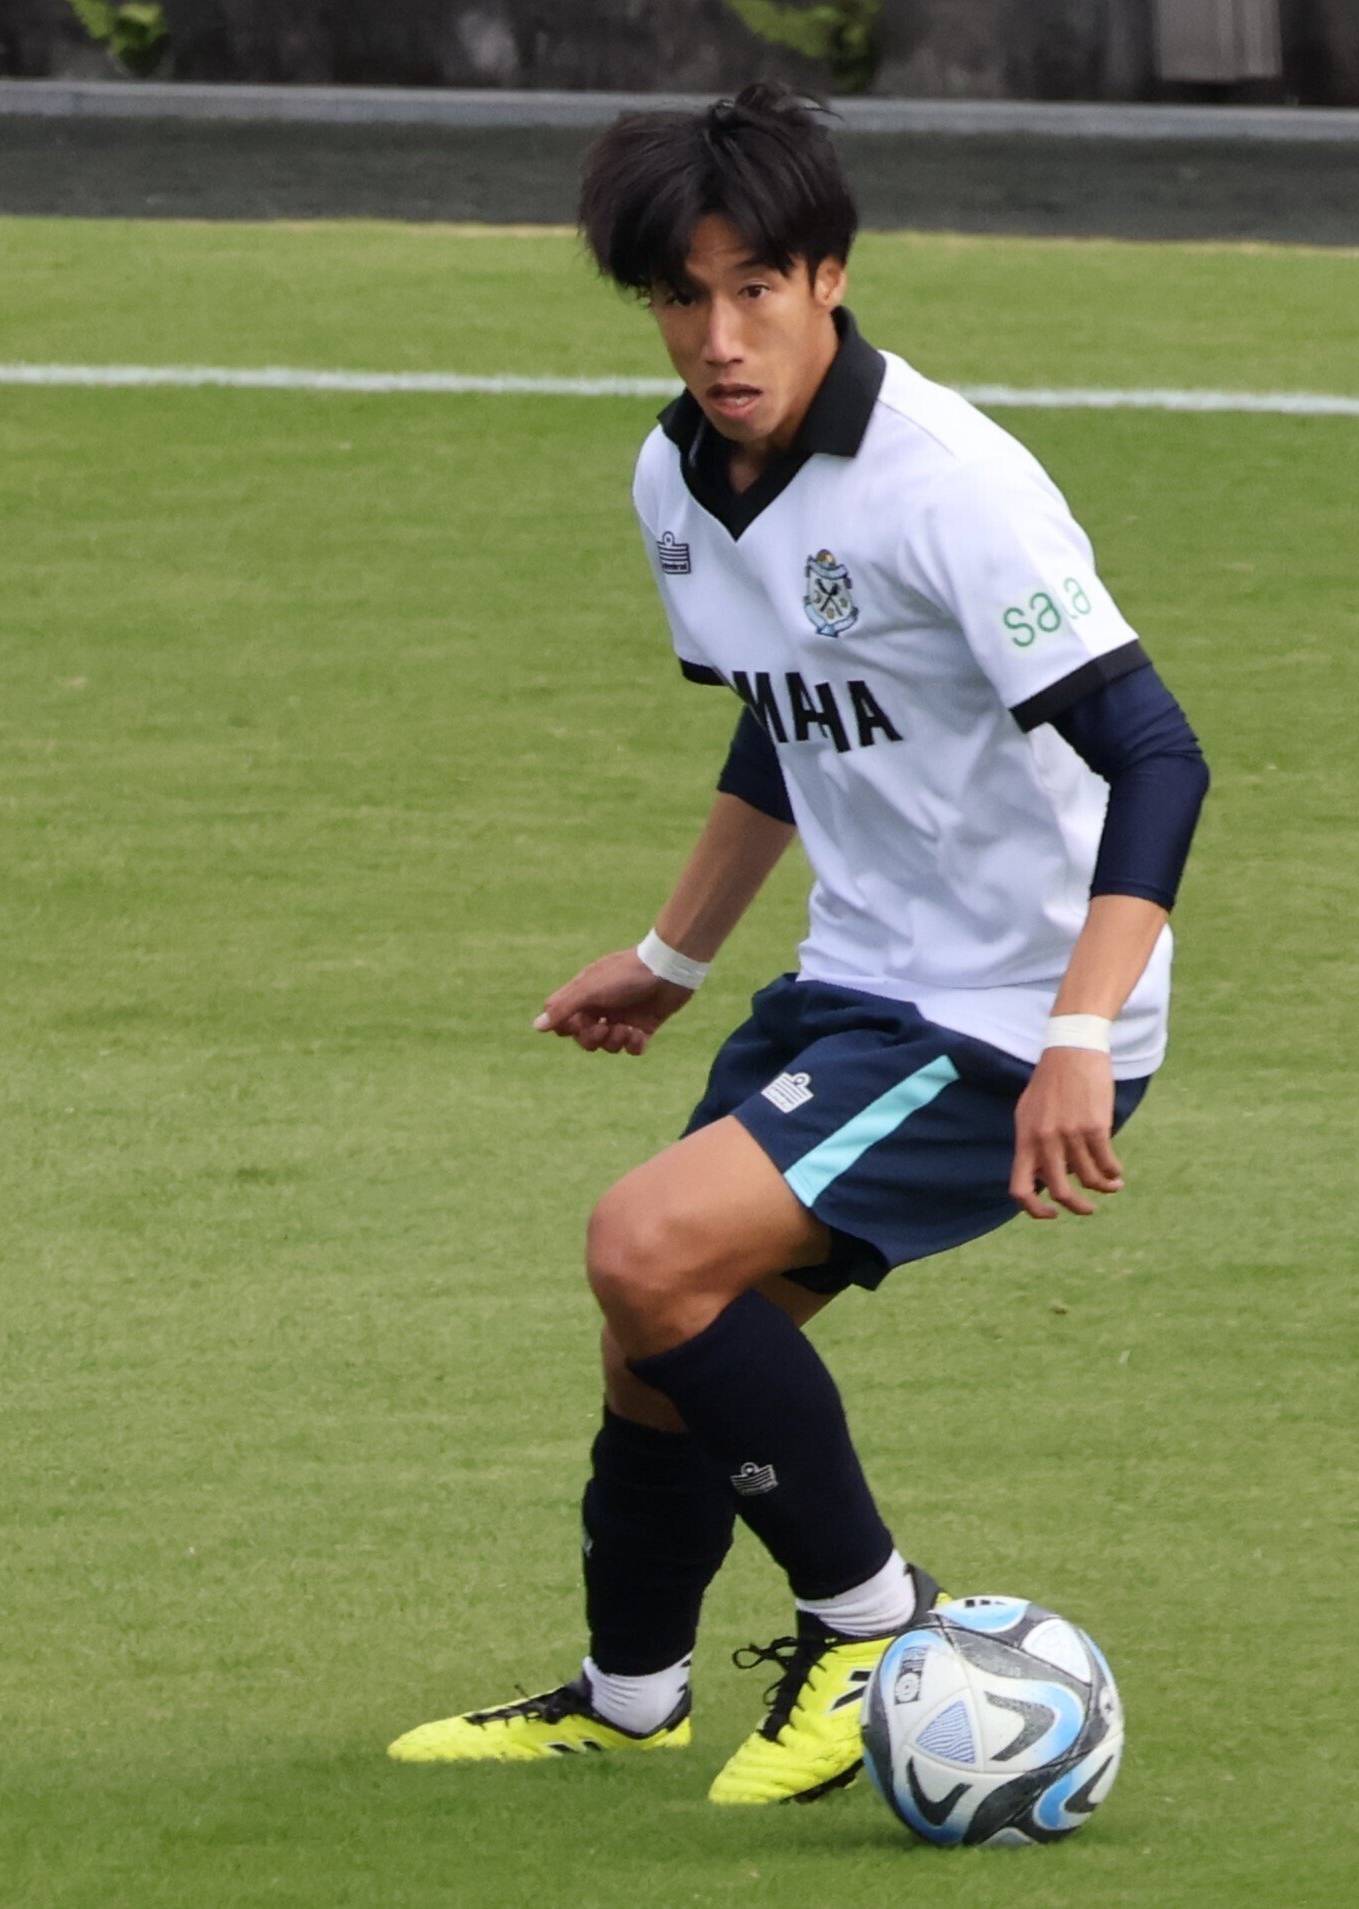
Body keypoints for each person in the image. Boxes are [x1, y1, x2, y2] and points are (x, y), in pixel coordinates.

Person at [389, 81, 1209, 1808]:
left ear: (827, 274)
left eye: (752, 286)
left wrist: (1077, 1032)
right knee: (657, 1326)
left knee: (643, 1241)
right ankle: (625, 1699)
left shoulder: (953, 488)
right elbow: (788, 718)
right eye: (679, 297)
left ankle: (866, 1625)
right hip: (856, 980)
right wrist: (670, 954)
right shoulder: (677, 474)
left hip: (1006, 1018)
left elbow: (1157, 755)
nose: (716, 334)